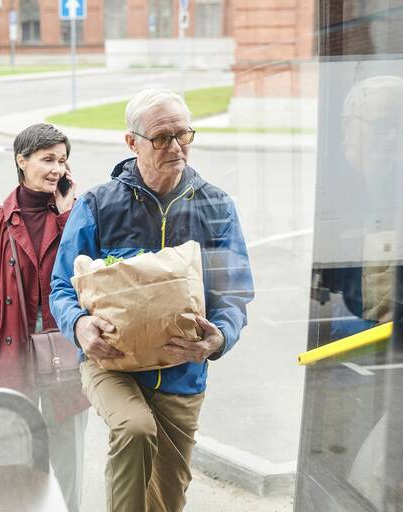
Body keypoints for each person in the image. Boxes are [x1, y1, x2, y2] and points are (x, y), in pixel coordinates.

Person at [50, 89, 255, 512]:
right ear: (132, 142)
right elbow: (62, 286)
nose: (177, 147)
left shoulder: (216, 207)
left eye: (184, 134)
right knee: (134, 428)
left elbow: (234, 293)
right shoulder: (98, 204)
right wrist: (79, 325)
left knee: (167, 497)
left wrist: (218, 340)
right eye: (163, 137)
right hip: (111, 363)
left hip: (182, 375)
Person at [0, 123, 88, 512]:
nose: (56, 169)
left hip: (65, 352)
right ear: (22, 161)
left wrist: (68, 211)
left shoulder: (73, 216)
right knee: (14, 451)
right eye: (47, 159)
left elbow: (87, 273)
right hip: (14, 351)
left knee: (67, 454)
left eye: (62, 161)